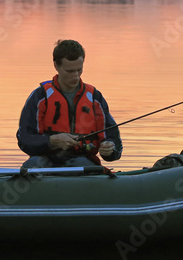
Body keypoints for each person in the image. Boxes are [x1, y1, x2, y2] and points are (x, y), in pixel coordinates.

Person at [17, 39, 122, 168]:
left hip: (81, 160)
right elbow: (25, 139)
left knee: (84, 166)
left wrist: (109, 150)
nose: (76, 76)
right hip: (45, 159)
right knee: (32, 166)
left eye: (79, 70)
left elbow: (112, 138)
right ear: (56, 66)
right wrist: (52, 141)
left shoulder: (95, 97)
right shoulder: (40, 96)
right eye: (70, 71)